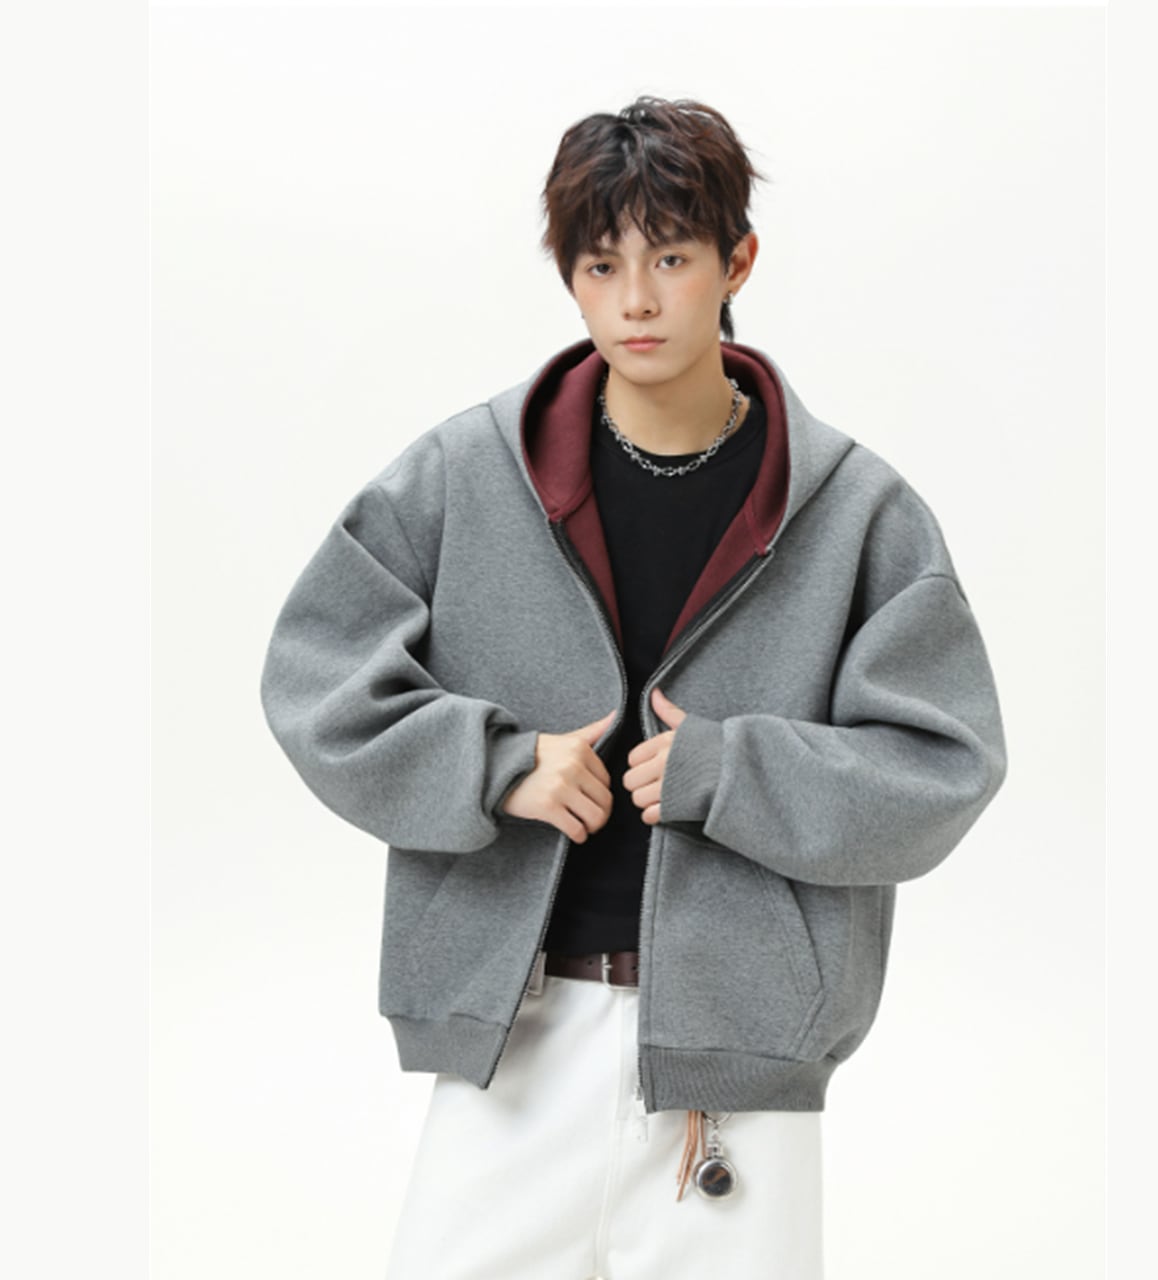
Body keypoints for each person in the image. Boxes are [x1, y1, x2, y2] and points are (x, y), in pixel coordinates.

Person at [259, 95, 1008, 1280]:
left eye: (669, 258)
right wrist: (496, 764)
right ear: (568, 277)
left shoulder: (855, 510)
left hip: (740, 1068)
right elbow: (315, 678)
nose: (637, 301)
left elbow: (943, 766)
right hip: (513, 1042)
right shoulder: (465, 475)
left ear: (735, 262)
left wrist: (734, 771)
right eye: (601, 265)